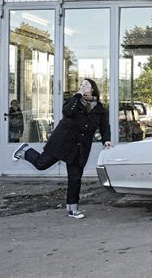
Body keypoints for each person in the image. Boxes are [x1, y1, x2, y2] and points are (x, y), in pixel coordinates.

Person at [12, 79, 111, 219]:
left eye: (86, 84)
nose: (83, 86)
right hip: (63, 141)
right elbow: (67, 112)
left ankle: (73, 208)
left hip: (81, 146)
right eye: (81, 84)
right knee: (41, 164)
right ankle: (25, 151)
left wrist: (106, 140)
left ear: (93, 89)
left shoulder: (100, 109)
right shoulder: (74, 101)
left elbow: (104, 127)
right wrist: (77, 95)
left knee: (75, 178)